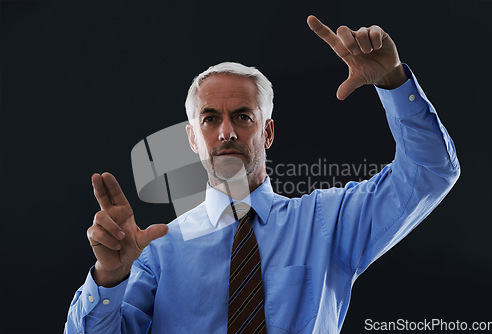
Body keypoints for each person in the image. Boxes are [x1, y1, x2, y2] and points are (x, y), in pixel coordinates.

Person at [64, 15, 460, 334]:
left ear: (267, 132)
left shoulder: (327, 223)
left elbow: (431, 172)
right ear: (192, 139)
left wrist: (393, 82)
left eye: (242, 116)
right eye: (210, 119)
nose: (227, 132)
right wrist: (110, 278)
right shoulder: (157, 252)